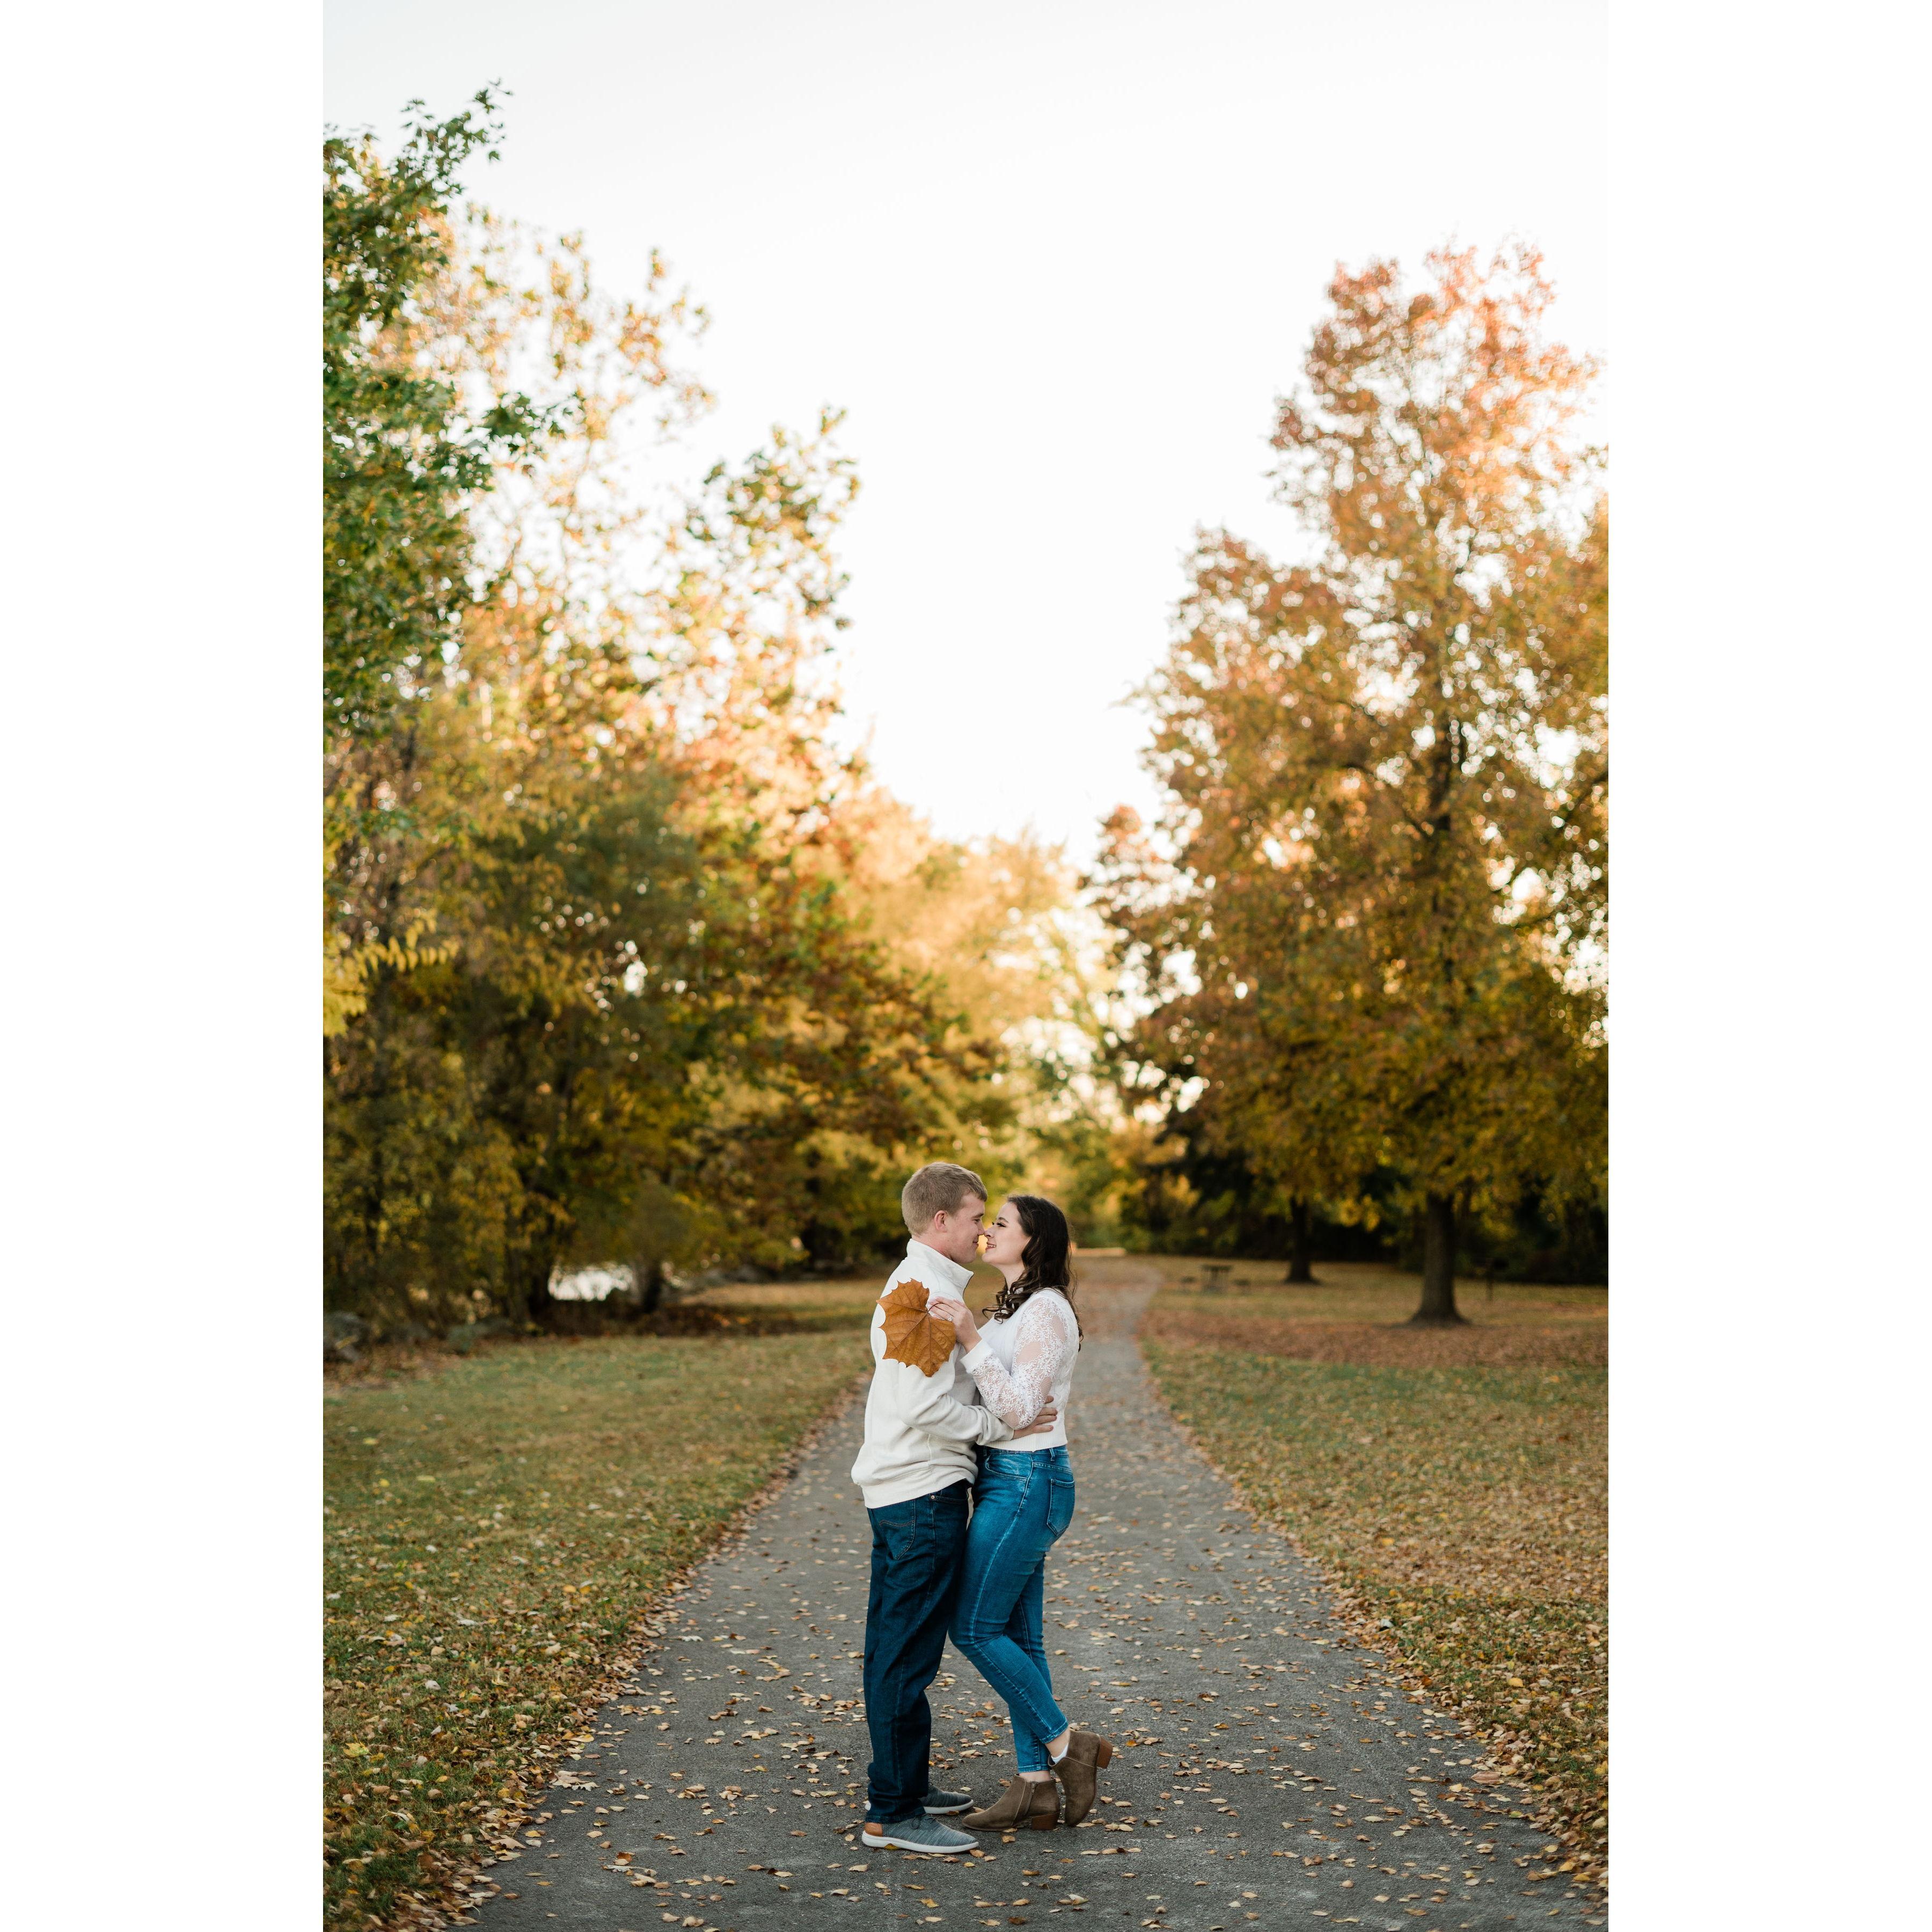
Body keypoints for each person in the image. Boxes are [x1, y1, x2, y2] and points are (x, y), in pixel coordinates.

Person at [853, 1162, 1061, 1855]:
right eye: (976, 1217)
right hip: (919, 1495)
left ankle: (904, 1788)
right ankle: (893, 1812)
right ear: (941, 1221)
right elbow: (919, 1404)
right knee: (905, 1654)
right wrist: (999, 1429)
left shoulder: (931, 1285)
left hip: (911, 1490)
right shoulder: (919, 1290)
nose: (981, 1232)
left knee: (901, 1647)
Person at [929, 1195, 1115, 1833]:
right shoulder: (1016, 1306)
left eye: (1001, 1223)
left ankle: (1068, 1748)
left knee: (975, 1629)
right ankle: (1035, 1786)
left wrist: (971, 1340)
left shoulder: (1046, 1311)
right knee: (1020, 1636)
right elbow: (1008, 1404)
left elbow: (1014, 1410)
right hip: (1010, 1477)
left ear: (1034, 1241)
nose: (988, 1231)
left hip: (1027, 1481)